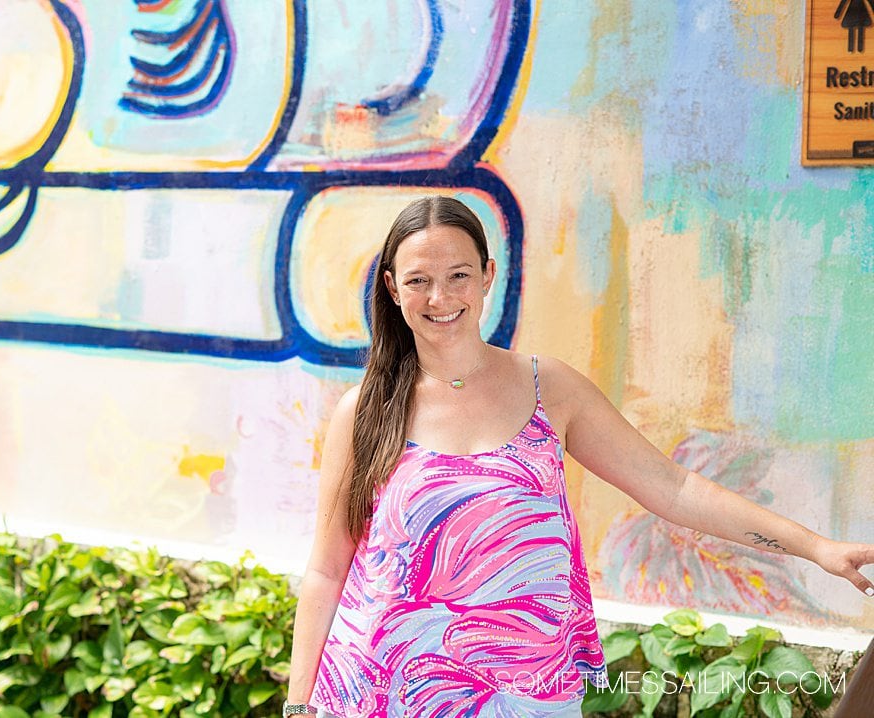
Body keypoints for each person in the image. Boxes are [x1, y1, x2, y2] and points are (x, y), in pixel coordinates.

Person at [283, 196, 874, 717]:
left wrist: (814, 547)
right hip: (376, 692)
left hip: (525, 694)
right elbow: (328, 568)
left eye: (458, 274)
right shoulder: (365, 409)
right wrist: (298, 705)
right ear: (391, 286)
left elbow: (674, 487)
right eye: (418, 281)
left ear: (488, 276)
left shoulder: (549, 389)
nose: (440, 297)